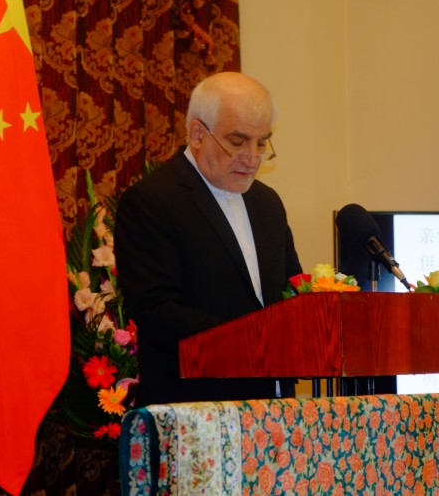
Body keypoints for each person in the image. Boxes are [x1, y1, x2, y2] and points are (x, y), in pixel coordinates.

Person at [114, 71, 303, 406]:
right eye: (237, 141)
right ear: (197, 134)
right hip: (196, 407)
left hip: (276, 408)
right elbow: (155, 310)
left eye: (261, 143)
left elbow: (291, 290)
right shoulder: (152, 201)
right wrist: (253, 341)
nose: (252, 158)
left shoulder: (267, 203)